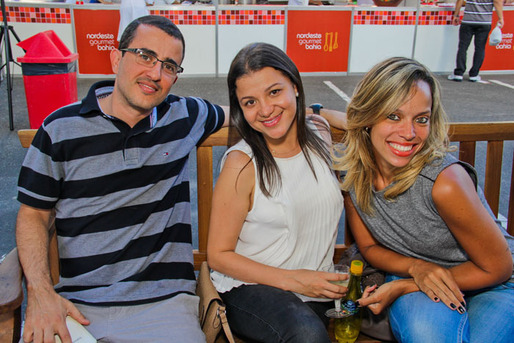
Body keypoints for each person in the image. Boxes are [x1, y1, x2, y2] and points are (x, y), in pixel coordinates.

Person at [16, 15, 229, 343]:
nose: (155, 73)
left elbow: (256, 110)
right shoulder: (60, 128)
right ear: (116, 58)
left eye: (169, 66)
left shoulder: (184, 115)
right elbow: (33, 214)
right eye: (145, 56)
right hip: (79, 306)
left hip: (164, 305)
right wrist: (41, 293)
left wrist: (316, 114)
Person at [335, 57, 514, 342]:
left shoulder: (444, 182)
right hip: (415, 272)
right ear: (367, 117)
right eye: (393, 116)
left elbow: (499, 267)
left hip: (496, 284)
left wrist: (405, 284)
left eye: (421, 119)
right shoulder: (354, 175)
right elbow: (368, 246)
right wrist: (415, 268)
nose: (409, 133)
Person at [207, 42, 346, 343]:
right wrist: (296, 280)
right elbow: (218, 256)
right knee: (308, 335)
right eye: (250, 102)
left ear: (295, 86)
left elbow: (313, 117)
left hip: (315, 289)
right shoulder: (241, 164)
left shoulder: (320, 135)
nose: (266, 110)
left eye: (274, 92)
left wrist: (345, 118)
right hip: (250, 287)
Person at [448, 0, 504, 82]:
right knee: (480, 48)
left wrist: (456, 15)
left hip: (468, 21)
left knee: (463, 47)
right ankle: (474, 74)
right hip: (484, 22)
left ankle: (459, 73)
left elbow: (460, 0)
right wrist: (500, 18)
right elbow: (497, 2)